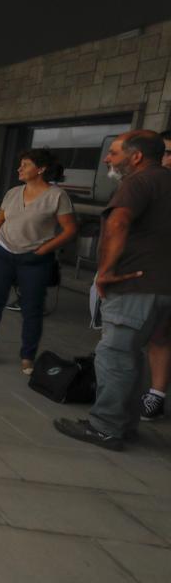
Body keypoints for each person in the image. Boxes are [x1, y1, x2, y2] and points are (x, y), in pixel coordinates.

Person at [55, 130, 171, 451]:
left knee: (116, 355)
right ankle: (124, 425)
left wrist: (104, 272)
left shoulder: (138, 182)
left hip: (135, 284)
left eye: (115, 153)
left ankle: (104, 427)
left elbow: (118, 223)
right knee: (131, 356)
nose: (108, 158)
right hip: (163, 287)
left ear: (136, 157)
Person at [0, 149, 77, 375]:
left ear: (40, 169)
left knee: (32, 309)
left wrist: (45, 250)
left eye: (25, 165)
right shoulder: (13, 192)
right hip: (3, 254)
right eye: (20, 164)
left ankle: (27, 357)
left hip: (35, 260)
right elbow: (0, 219)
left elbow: (69, 230)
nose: (19, 169)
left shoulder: (56, 196)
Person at [138, 129, 171, 420]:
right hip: (154, 275)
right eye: (163, 153)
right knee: (158, 335)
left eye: (170, 153)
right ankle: (155, 396)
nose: (165, 159)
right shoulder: (150, 185)